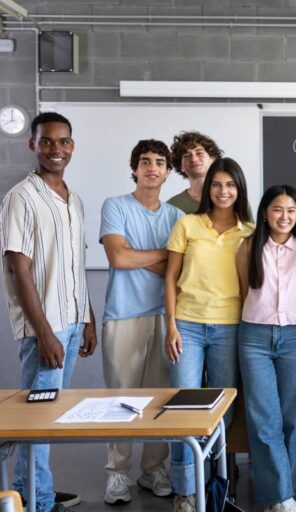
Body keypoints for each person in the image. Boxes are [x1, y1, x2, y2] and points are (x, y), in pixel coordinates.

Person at [0, 112, 97, 512]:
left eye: (63, 142)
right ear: (33, 145)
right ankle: (34, 502)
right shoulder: (21, 197)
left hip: (73, 322)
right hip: (48, 327)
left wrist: (88, 318)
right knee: (35, 421)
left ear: (72, 145)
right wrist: (44, 332)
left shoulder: (75, 199)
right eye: (47, 142)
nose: (56, 149)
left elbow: (76, 264)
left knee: (49, 416)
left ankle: (33, 492)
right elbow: (16, 266)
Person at [165, 157, 254, 512]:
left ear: (239, 189)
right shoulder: (187, 224)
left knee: (222, 413)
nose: (222, 191)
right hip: (186, 324)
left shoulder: (248, 231)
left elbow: (249, 288)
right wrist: (170, 325)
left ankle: (218, 485)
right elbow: (170, 278)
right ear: (208, 188)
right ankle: (186, 492)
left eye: (230, 185)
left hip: (230, 327)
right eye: (216, 184)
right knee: (183, 410)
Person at [99, 139, 183, 505]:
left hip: (166, 316)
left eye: (159, 162)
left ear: (168, 171)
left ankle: (153, 470)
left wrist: (140, 255)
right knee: (121, 398)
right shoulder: (115, 206)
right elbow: (117, 257)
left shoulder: (176, 217)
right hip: (123, 315)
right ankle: (117, 475)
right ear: (134, 168)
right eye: (145, 162)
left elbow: (177, 270)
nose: (152, 167)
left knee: (159, 399)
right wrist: (163, 256)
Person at [235, 185, 296, 512]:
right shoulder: (248, 246)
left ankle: (283, 493)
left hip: (295, 336)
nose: (285, 217)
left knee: (291, 418)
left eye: (291, 211)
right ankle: (280, 497)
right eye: (278, 210)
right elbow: (245, 291)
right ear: (265, 213)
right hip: (254, 336)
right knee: (263, 418)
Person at [168, 131, 222, 214]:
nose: (194, 159)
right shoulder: (172, 207)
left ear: (213, 158)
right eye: (186, 156)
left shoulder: (231, 199)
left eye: (199, 153)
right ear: (180, 166)